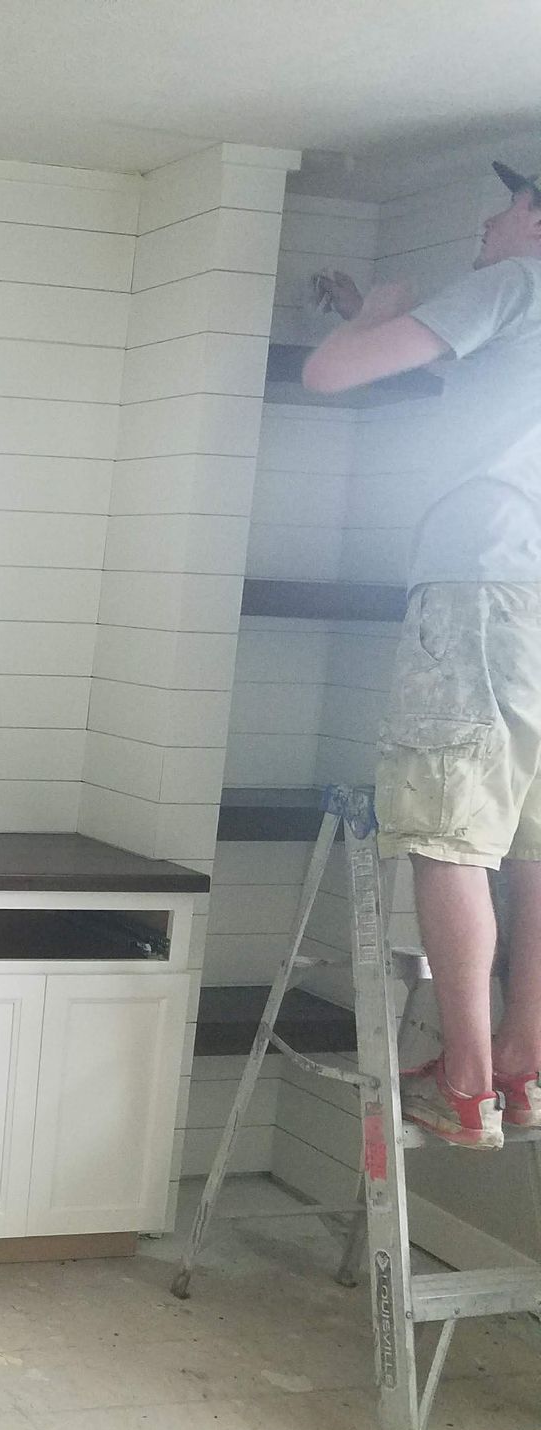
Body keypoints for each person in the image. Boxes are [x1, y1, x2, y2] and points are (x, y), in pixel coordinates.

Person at [304, 159, 541, 1150]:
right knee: (527, 841)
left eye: (513, 204)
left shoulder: (518, 283)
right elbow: (457, 376)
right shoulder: (510, 327)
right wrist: (376, 313)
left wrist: (380, 310)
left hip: (481, 585)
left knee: (448, 829)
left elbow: (330, 373)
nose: (490, 219)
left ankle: (466, 1081)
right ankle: (520, 1072)